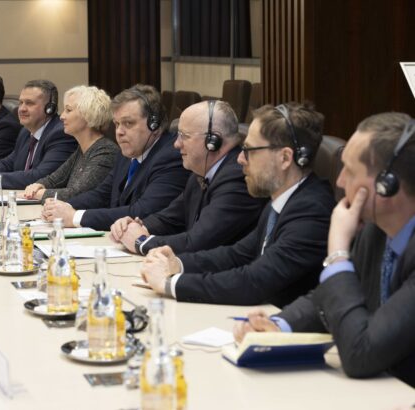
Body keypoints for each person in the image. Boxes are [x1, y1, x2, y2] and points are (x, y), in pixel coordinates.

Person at [233, 112, 415, 387]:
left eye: (350, 171)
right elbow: (327, 299)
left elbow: (360, 353)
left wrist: (338, 252)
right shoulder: (376, 232)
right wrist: (279, 326)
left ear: (387, 185)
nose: (339, 181)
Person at [141, 102, 335, 308]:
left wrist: (170, 284)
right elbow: (236, 255)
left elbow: (252, 282)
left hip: (283, 322)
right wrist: (177, 263)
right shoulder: (281, 201)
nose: (240, 158)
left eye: (249, 150)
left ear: (285, 158)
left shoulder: (312, 212)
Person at [109, 100, 265, 255]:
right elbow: (171, 218)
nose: (176, 144)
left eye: (184, 136)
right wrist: (136, 226)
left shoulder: (237, 178)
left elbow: (198, 241)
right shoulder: (200, 173)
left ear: (212, 141)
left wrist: (142, 242)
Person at [41, 84, 190, 231]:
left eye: (128, 123)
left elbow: (143, 211)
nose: (119, 132)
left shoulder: (171, 158)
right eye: (117, 124)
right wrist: (63, 207)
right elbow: (102, 195)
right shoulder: (127, 153)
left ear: (154, 124)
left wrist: (75, 217)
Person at [0, 79, 77, 189]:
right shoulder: (26, 131)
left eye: (29, 103)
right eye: (21, 103)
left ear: (49, 109)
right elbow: (9, 162)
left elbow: (41, 176)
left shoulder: (61, 134)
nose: (21, 109)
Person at [21, 85, 118, 202]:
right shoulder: (82, 150)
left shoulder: (105, 152)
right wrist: (38, 185)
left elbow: (78, 193)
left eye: (68, 110)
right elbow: (54, 180)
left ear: (88, 115)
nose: (61, 116)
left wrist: (41, 193)